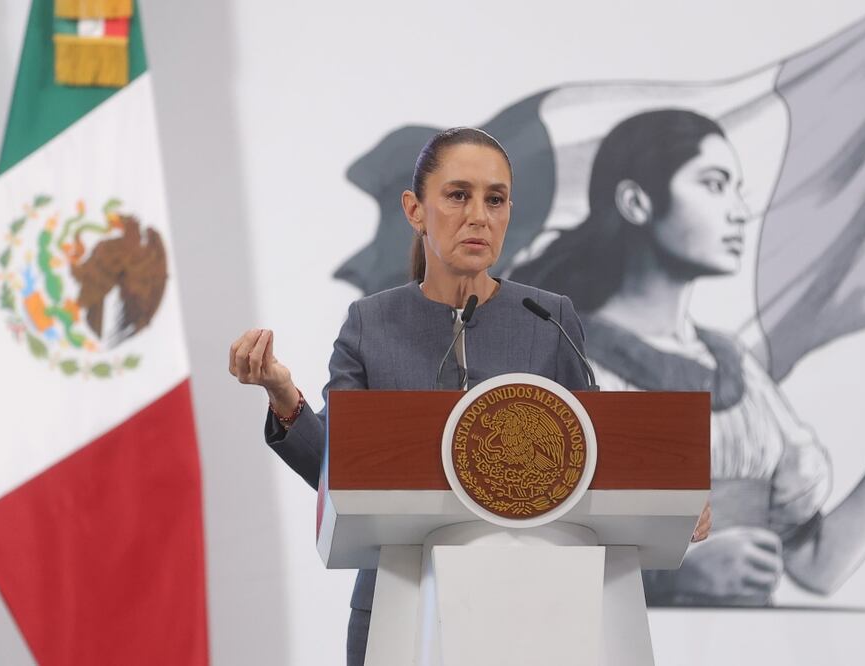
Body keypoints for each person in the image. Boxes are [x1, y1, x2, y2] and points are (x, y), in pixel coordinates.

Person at [230, 127, 644, 664]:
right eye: (457, 195)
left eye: (495, 199)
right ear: (415, 210)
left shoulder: (548, 319)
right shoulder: (370, 324)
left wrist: (675, 497)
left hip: (536, 608)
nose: (479, 215)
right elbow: (337, 473)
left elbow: (595, 460)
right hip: (398, 604)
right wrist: (283, 396)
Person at [511, 108, 865, 606]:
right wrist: (666, 576)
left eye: (738, 189)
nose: (740, 211)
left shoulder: (734, 367)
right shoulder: (557, 358)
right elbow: (512, 561)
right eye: (715, 185)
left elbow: (814, 566)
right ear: (636, 202)